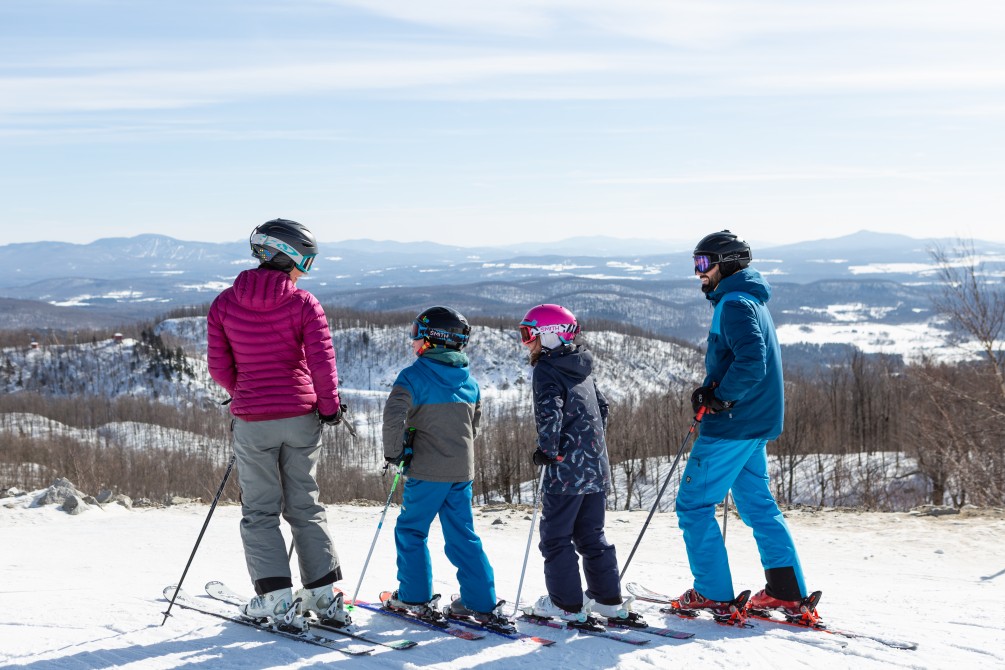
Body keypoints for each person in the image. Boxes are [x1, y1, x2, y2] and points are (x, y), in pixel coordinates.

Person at [207, 218, 348, 626]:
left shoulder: (224, 303)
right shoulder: (304, 304)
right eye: (305, 259)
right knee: (305, 505)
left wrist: (248, 391)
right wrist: (328, 406)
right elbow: (322, 364)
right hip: (301, 417)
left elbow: (219, 368)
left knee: (260, 511)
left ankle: (275, 599)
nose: (306, 268)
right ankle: (323, 596)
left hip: (254, 420)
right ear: (286, 256)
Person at [673, 229, 814, 621]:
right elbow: (747, 359)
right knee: (758, 507)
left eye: (704, 263)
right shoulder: (750, 300)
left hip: (732, 425)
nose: (699, 273)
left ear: (728, 263)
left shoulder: (734, 303)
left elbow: (752, 361)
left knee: (693, 505)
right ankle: (787, 592)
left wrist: (720, 398)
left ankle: (713, 593)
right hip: (754, 424)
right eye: (696, 263)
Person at [381, 306, 511, 629]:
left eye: (416, 336)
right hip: (461, 474)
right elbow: (474, 426)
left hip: (426, 472)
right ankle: (480, 602)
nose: (413, 342)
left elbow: (392, 415)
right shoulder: (470, 382)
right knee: (462, 536)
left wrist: (395, 453)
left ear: (432, 341)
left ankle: (415, 596)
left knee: (411, 530)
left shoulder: (412, 376)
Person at [519, 304, 645, 626]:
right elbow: (602, 408)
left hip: (565, 471)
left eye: (528, 335)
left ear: (548, 336)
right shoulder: (580, 366)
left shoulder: (547, 369)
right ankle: (607, 600)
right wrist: (588, 444)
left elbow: (550, 411)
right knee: (591, 534)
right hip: (595, 466)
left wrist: (547, 450)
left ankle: (566, 604)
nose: (526, 343)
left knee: (555, 537)